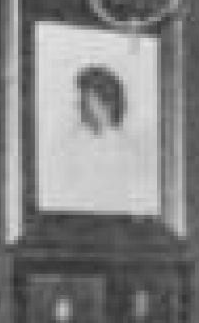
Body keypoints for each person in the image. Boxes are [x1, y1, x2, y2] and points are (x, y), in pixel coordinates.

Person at [40, 63, 158, 217]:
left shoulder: (130, 152)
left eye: (84, 99)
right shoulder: (70, 147)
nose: (78, 105)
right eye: (79, 99)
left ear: (105, 102)